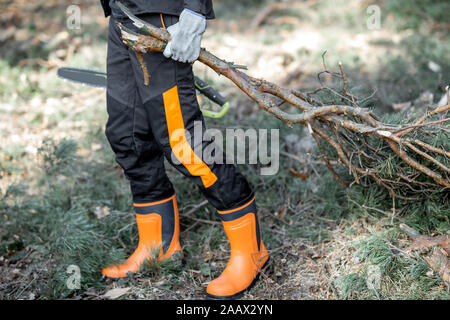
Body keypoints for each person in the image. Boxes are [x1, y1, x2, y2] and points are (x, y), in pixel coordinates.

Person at [99, 0, 268, 299]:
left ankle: (250, 251)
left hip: (161, 16)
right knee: (127, 136)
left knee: (184, 144)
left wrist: (194, 9)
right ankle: (158, 247)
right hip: (122, 13)